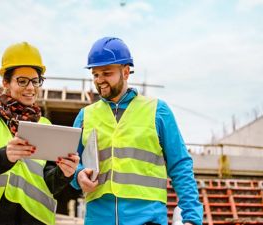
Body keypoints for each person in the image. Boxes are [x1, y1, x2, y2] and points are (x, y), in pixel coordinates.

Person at [71, 37, 203, 225]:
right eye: (95, 74)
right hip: (98, 218)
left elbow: (180, 164)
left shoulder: (158, 111)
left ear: (125, 72)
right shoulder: (85, 116)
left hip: (147, 218)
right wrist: (78, 174)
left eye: (106, 73)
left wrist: (191, 218)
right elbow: (70, 161)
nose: (100, 80)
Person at [0, 42, 79, 225]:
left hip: (34, 218)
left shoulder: (45, 125)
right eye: (22, 81)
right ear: (6, 82)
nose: (31, 88)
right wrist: (4, 156)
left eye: (35, 81)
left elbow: (49, 184)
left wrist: (64, 173)